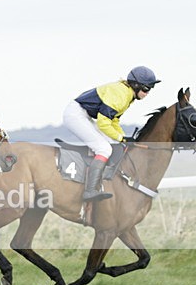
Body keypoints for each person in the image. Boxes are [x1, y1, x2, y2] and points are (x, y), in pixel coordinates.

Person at [62, 66, 160, 202]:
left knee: (114, 143)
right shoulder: (121, 94)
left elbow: (113, 121)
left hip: (84, 115)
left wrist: (123, 138)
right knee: (104, 149)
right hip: (75, 115)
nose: (147, 93)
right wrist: (121, 138)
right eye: (146, 89)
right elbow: (103, 123)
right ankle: (90, 190)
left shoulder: (127, 94)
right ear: (136, 85)